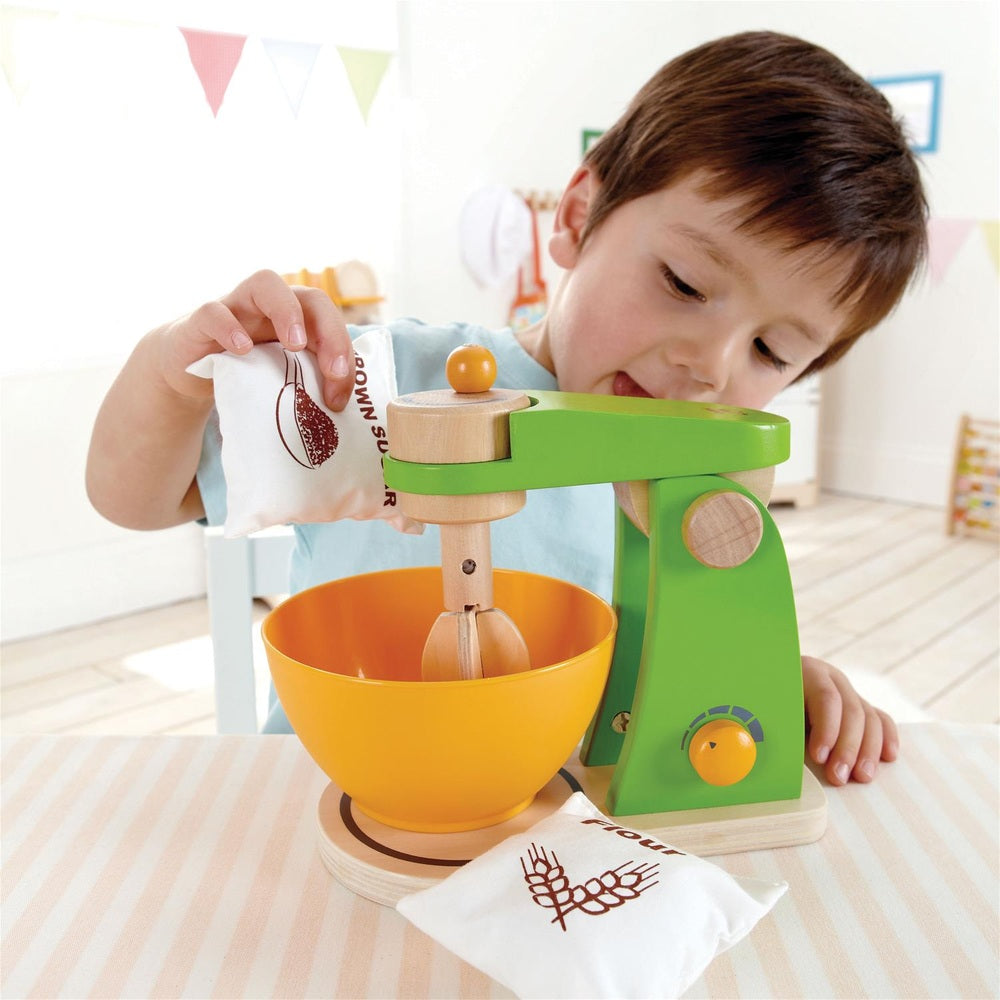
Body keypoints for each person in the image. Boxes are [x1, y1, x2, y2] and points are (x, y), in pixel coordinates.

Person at [87, 31, 927, 787]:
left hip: (557, 834)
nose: (707, 365)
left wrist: (772, 679)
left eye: (771, 352)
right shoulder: (389, 389)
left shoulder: (700, 484)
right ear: (577, 217)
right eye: (684, 284)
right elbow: (137, 499)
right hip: (333, 799)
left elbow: (678, 665)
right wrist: (174, 375)